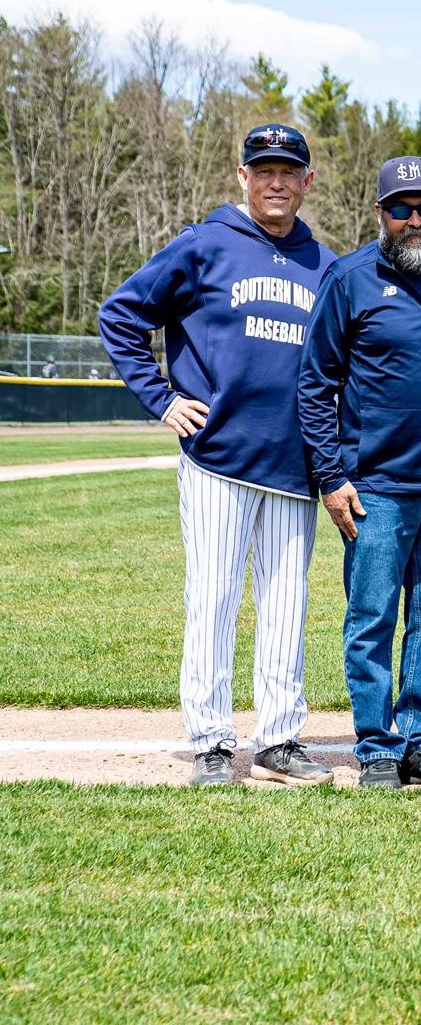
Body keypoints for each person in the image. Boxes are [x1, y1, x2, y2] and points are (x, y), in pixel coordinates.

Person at [97, 123, 338, 787]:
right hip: (217, 456)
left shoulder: (326, 264)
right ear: (242, 177)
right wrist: (162, 397)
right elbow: (120, 316)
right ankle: (209, 739)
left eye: (289, 171)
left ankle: (280, 738)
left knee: (287, 601)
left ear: (307, 183)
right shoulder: (204, 245)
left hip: (295, 464)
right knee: (213, 596)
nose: (277, 182)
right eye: (264, 170)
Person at [297, 156, 421, 791]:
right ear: (380, 214)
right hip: (374, 486)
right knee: (372, 618)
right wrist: (331, 477)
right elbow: (315, 382)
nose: (415, 221)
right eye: (400, 209)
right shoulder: (350, 278)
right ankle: (377, 745)